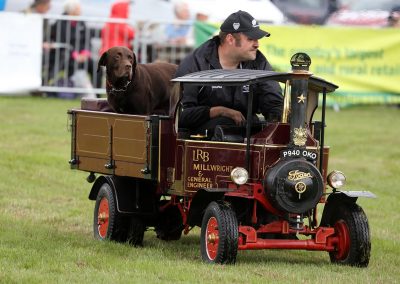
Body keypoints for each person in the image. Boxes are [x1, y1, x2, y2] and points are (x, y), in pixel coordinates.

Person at [176, 10, 283, 139]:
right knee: (224, 125)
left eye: (257, 39)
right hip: (203, 139)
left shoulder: (258, 61)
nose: (257, 44)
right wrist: (219, 111)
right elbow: (180, 116)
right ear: (230, 39)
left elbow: (274, 103)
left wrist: (278, 122)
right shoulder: (195, 64)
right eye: (251, 39)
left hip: (246, 130)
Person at [48, 0, 100, 96]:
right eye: (78, 8)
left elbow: (87, 40)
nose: (80, 10)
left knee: (96, 66)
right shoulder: (60, 23)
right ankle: (45, 88)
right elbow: (62, 42)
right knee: (63, 62)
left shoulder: (81, 22)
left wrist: (85, 53)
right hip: (65, 55)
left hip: (82, 56)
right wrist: (75, 54)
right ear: (71, 10)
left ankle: (97, 94)